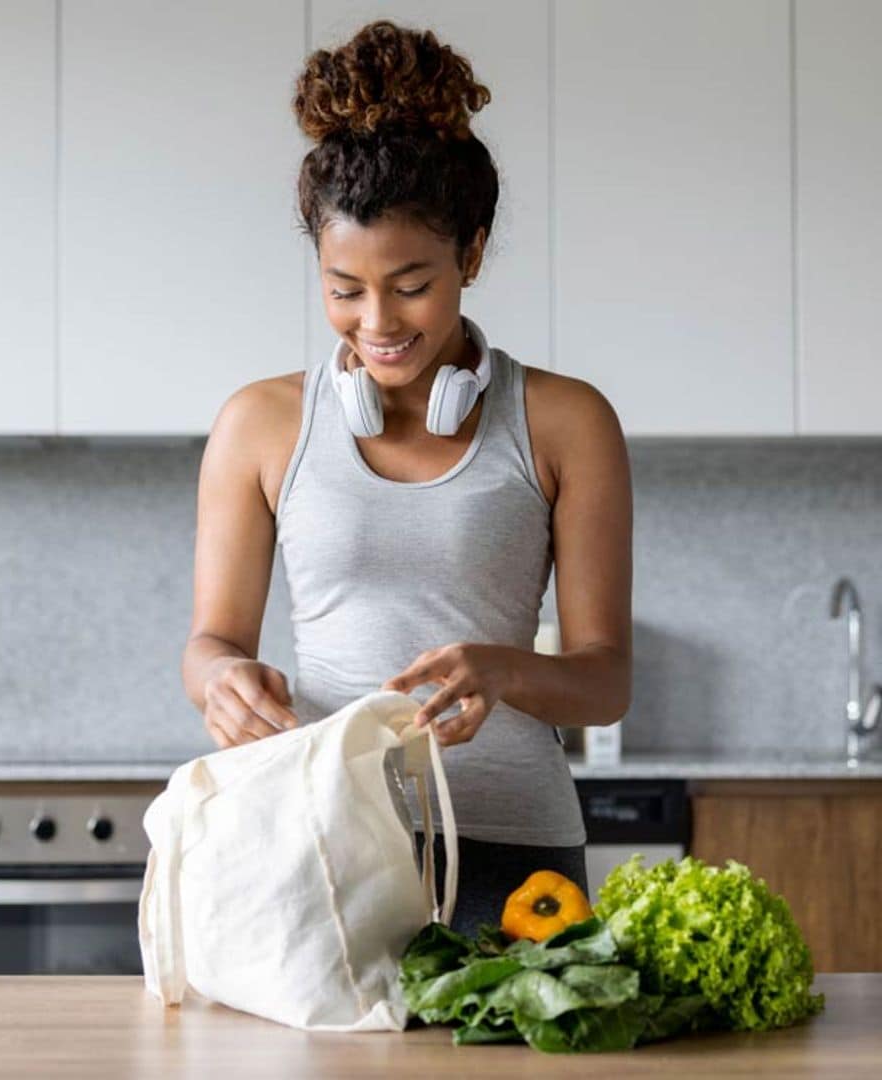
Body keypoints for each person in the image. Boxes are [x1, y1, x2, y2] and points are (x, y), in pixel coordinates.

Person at [181, 20, 632, 936]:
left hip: (515, 854)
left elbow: (606, 681)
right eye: (344, 288)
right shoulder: (259, 424)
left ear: (471, 253)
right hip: (323, 840)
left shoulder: (566, 421)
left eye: (412, 284)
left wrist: (501, 670)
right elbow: (210, 642)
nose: (377, 321)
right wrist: (222, 679)